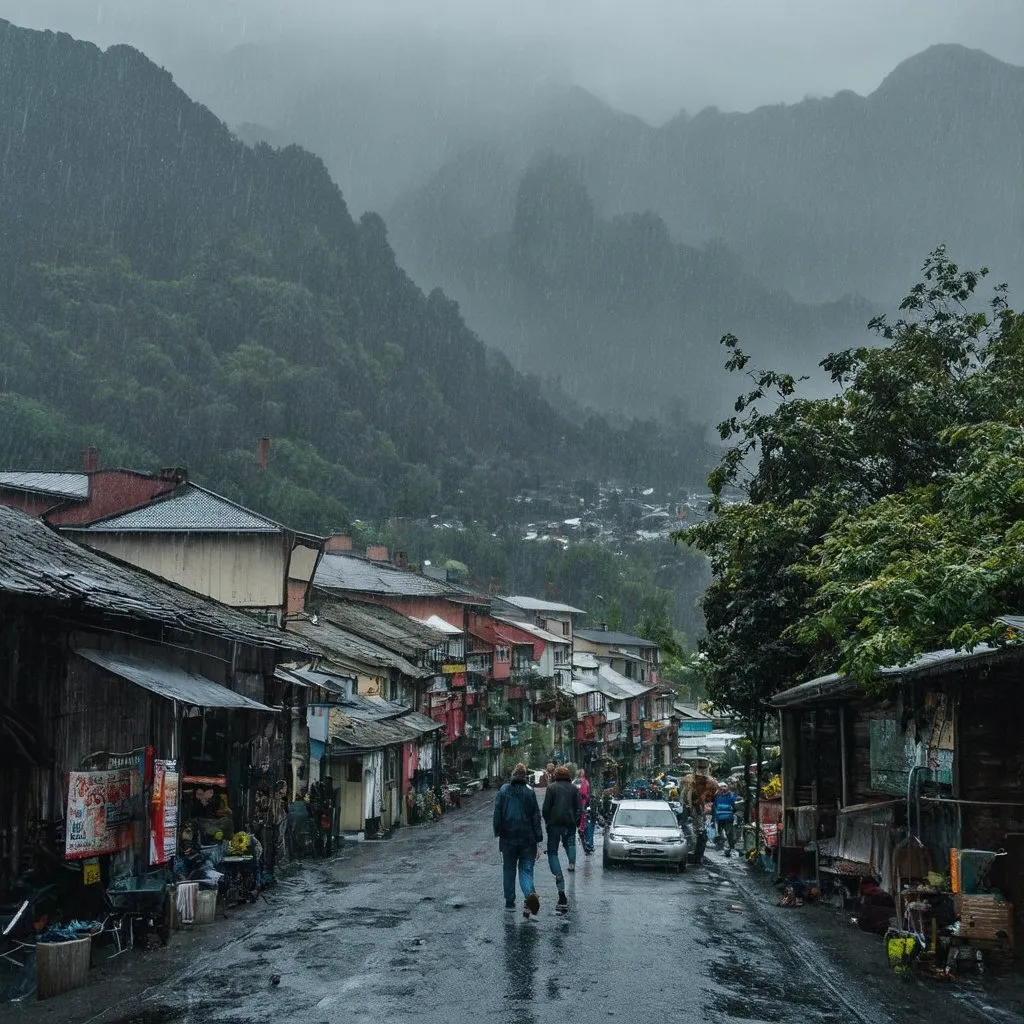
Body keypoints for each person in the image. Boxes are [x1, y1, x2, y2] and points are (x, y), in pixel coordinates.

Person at [493, 762, 543, 917]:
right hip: (527, 839)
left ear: (513, 775)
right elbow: (536, 817)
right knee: (526, 870)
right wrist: (538, 840)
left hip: (508, 839)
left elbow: (497, 814)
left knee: (508, 870)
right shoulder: (530, 792)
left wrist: (497, 832)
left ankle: (510, 902)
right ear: (525, 777)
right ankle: (529, 896)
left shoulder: (504, 791)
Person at [542, 765, 581, 913]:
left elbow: (546, 809)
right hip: (569, 824)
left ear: (556, 775)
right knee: (570, 843)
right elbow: (579, 808)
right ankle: (571, 862)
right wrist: (575, 822)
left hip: (554, 826)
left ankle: (559, 878)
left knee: (552, 853)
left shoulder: (551, 788)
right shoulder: (574, 789)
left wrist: (548, 821)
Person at [713, 782, 738, 857]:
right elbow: (714, 807)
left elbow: (735, 804)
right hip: (719, 818)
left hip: (728, 818)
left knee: (729, 834)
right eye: (720, 788)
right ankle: (720, 849)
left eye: (723, 788)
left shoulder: (731, 795)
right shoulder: (717, 796)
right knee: (719, 834)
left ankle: (731, 848)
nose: (722, 790)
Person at [574, 769, 594, 854]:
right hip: (584, 804)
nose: (584, 773)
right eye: (583, 772)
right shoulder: (583, 781)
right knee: (586, 824)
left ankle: (586, 844)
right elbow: (585, 792)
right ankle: (588, 844)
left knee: (583, 825)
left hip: (580, 805)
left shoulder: (575, 781)